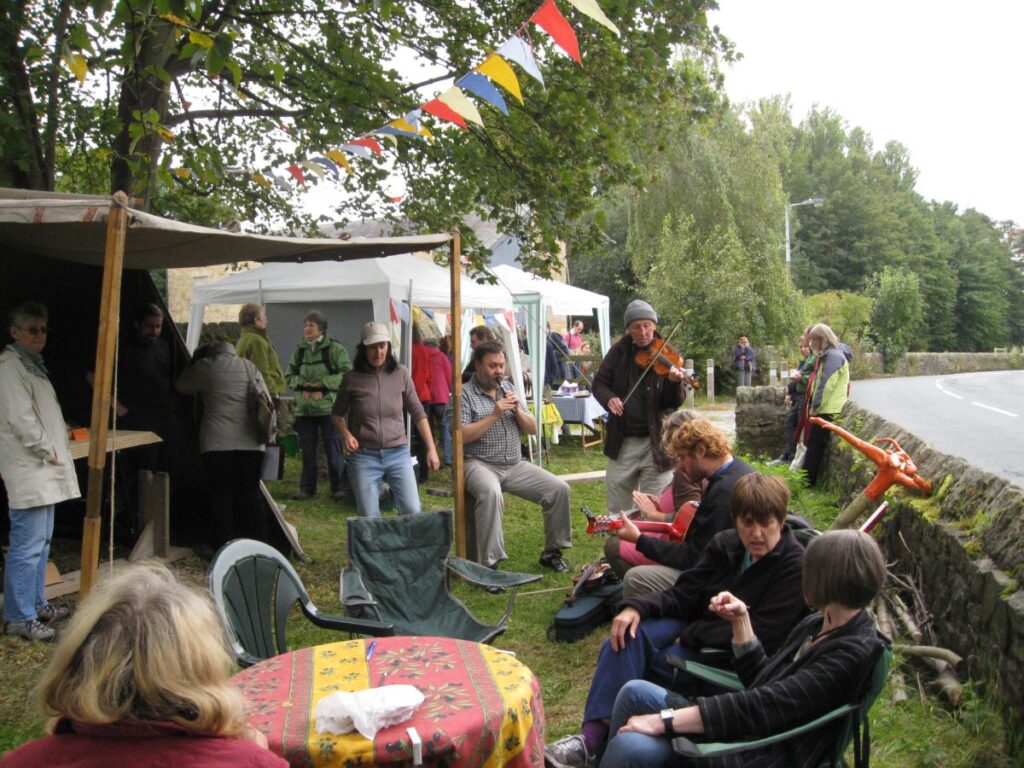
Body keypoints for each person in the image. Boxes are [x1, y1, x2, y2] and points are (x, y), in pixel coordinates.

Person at [544, 474, 809, 768]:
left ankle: (612, 742)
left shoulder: (794, 567)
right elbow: (683, 593)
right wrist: (635, 607)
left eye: (766, 523)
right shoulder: (726, 544)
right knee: (627, 633)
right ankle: (590, 741)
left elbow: (764, 635)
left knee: (642, 663)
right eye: (748, 523)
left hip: (725, 659)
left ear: (781, 519)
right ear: (735, 520)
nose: (757, 533)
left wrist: (695, 633)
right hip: (697, 629)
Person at [599, 529, 889, 768]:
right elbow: (764, 682)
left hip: (759, 751)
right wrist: (741, 622)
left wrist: (663, 721)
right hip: (754, 725)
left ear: (825, 580)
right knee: (633, 691)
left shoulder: (849, 656)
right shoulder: (820, 623)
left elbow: (763, 706)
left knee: (631, 746)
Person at [0, 563, 287, 767]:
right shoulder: (250, 761)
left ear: (77, 659)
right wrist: (254, 755)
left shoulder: (19, 762)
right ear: (202, 663)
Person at [449, 340, 572, 572]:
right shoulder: (462, 395)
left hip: (514, 464)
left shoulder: (508, 388)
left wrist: (517, 410)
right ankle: (490, 565)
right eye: (492, 366)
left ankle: (552, 552)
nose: (499, 371)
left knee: (558, 488)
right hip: (478, 463)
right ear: (478, 365)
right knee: (491, 492)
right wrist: (495, 415)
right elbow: (460, 437)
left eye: (501, 365)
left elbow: (533, 429)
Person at [0, 302, 79, 642]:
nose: (39, 335)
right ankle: (19, 617)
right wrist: (47, 449)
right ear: (15, 332)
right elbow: (21, 420)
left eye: (43, 329)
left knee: (42, 542)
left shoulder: (32, 366)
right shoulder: (9, 367)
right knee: (27, 544)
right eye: (32, 329)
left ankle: (36, 603)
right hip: (31, 467)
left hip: (43, 469)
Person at [614, 418, 755, 597]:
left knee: (635, 577)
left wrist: (640, 540)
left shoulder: (723, 494)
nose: (679, 466)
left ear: (700, 451)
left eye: (682, 458)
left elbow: (694, 558)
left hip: (719, 583)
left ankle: (658, 618)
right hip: (725, 569)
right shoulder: (737, 468)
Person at [331, 322, 439, 517]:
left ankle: (404, 546)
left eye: (382, 346)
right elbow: (337, 414)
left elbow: (418, 413)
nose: (378, 352)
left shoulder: (401, 374)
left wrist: (431, 448)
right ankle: (376, 546)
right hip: (364, 455)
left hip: (397, 452)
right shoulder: (351, 378)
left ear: (389, 347)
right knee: (369, 515)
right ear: (363, 349)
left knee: (412, 509)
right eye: (372, 347)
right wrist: (346, 434)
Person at [592, 300, 686, 515]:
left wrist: (673, 382)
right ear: (629, 329)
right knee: (618, 498)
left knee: (656, 501)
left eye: (647, 325)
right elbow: (599, 383)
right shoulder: (619, 351)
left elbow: (674, 402)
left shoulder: (668, 353)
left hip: (657, 441)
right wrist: (609, 399)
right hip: (623, 441)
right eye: (636, 326)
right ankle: (619, 545)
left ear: (654, 325)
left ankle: (649, 544)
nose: (643, 332)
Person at [174, 341, 270, 548]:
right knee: (251, 496)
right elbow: (265, 398)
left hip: (217, 442)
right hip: (251, 443)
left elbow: (181, 386)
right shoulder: (248, 366)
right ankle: (259, 543)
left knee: (221, 497)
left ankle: (223, 545)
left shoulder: (206, 367)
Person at [603, 409, 704, 579]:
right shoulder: (700, 462)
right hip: (682, 547)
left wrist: (653, 514)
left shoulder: (687, 471)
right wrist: (663, 503)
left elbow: (690, 521)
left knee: (613, 546)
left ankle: (646, 587)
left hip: (678, 551)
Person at [285, 310, 351, 501]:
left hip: (329, 409)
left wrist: (323, 383)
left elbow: (347, 374)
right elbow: (289, 375)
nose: (307, 328)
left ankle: (339, 488)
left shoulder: (335, 349)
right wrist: (301, 384)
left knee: (334, 448)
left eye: (311, 325)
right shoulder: (299, 349)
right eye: (305, 325)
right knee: (307, 450)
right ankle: (307, 489)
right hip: (305, 409)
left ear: (321, 328)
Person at [800, 323, 850, 486]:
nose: (812, 345)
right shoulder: (831, 355)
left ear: (821, 339)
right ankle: (807, 479)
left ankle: (807, 481)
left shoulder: (833, 357)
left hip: (827, 409)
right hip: (828, 407)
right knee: (814, 444)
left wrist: (815, 406)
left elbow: (826, 384)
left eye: (813, 340)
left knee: (814, 445)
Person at [772, 328, 815, 465]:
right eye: (801, 347)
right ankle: (788, 455)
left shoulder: (814, 359)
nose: (803, 349)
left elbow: (812, 377)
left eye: (805, 347)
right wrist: (790, 393)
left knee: (800, 429)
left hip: (805, 397)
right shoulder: (805, 362)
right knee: (790, 424)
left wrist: (799, 378)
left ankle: (795, 460)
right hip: (798, 396)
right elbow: (794, 382)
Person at [235, 303, 286, 405]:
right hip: (265, 395)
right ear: (256, 320)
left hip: (252, 394)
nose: (266, 320)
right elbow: (261, 371)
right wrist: (273, 392)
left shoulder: (244, 339)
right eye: (263, 317)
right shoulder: (256, 341)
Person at [410, 326, 434, 482]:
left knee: (413, 436)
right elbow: (428, 375)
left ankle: (419, 472)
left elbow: (417, 377)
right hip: (424, 395)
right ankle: (424, 472)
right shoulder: (424, 350)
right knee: (422, 436)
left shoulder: (411, 350)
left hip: (414, 396)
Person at [425, 337, 453, 467]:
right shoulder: (442, 356)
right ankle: (448, 459)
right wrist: (446, 390)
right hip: (441, 397)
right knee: (445, 428)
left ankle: (429, 459)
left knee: (427, 430)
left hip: (426, 398)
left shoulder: (423, 356)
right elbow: (449, 375)